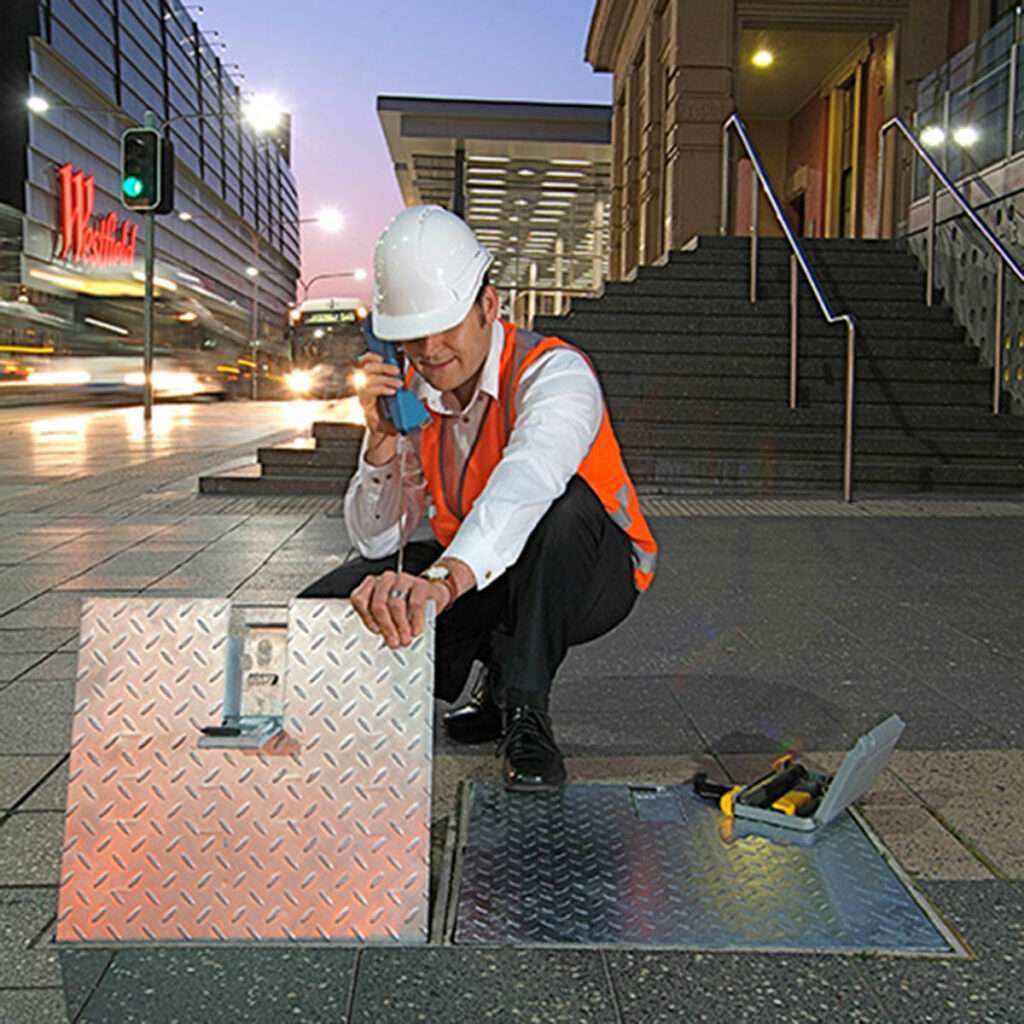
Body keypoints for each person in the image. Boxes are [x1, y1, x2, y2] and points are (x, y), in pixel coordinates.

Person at [300, 204, 657, 792]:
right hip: (478, 572)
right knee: (334, 600)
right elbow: (378, 539)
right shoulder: (417, 396)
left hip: (590, 574)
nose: (431, 347)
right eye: (411, 335)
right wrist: (382, 439)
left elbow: (529, 478)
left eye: (447, 325)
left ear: (489, 307)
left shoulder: (554, 373)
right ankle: (481, 686)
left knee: (562, 508)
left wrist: (441, 584)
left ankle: (525, 709)